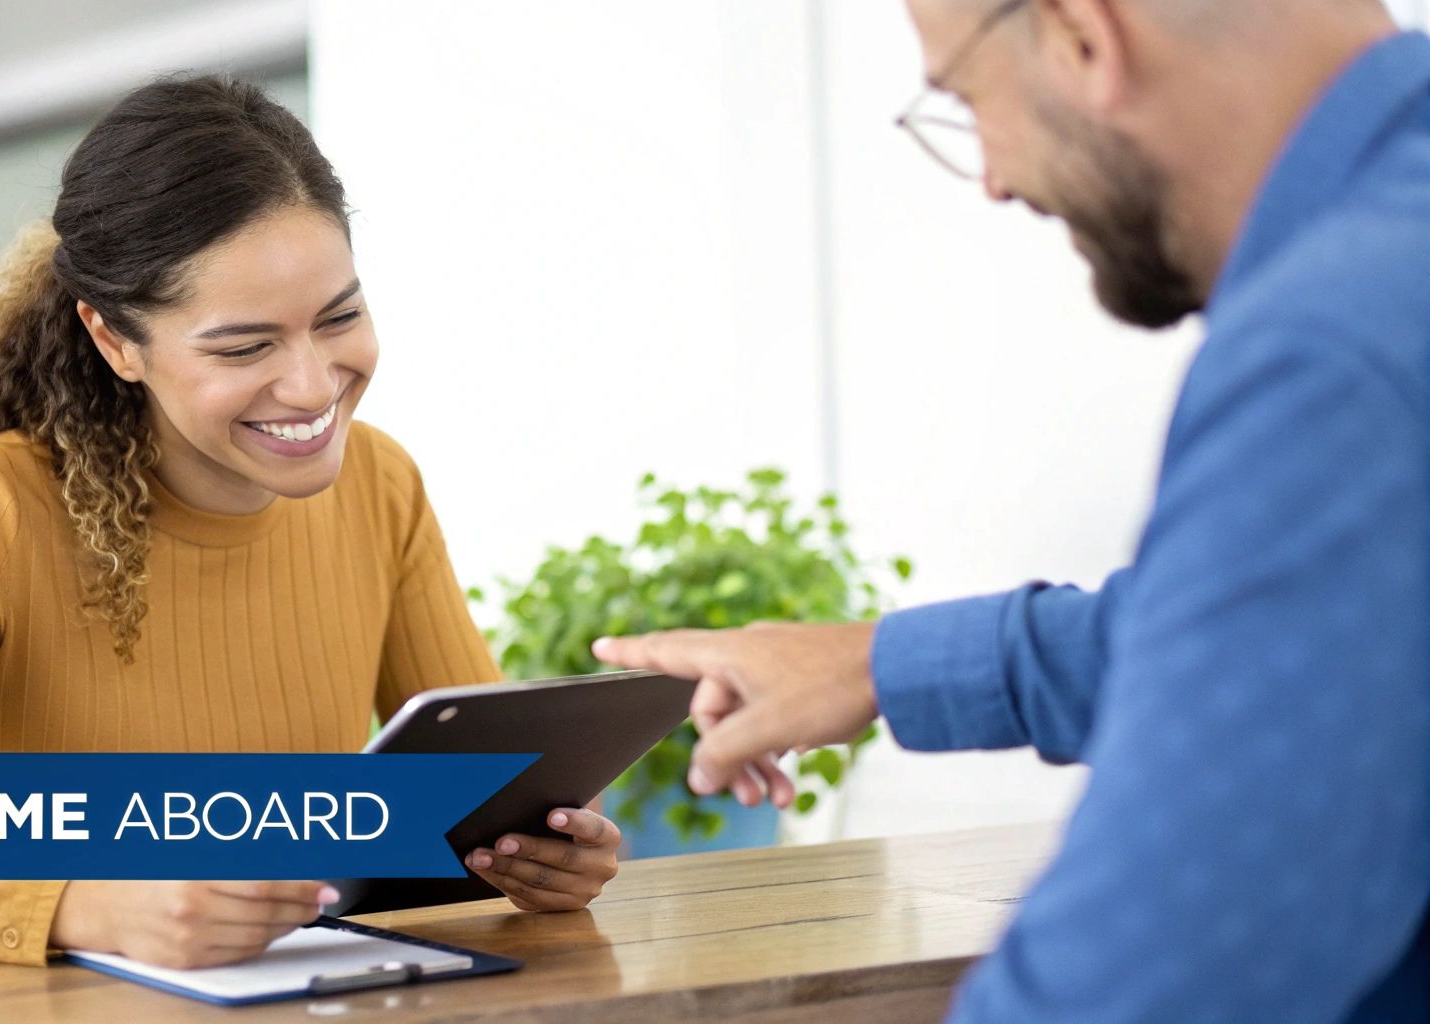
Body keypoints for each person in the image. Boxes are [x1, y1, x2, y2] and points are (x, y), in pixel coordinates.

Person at [595, 1, 1430, 1020]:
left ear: (1083, 36)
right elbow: (1331, 644)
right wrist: (878, 663)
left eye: (964, 101)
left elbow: (1136, 984)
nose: (991, 177)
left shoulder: (1329, 356)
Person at [0, 75, 622, 970]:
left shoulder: (381, 482)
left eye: (339, 317)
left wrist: (540, 854)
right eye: (244, 346)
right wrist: (88, 908)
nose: (311, 386)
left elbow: (474, 798)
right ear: (116, 342)